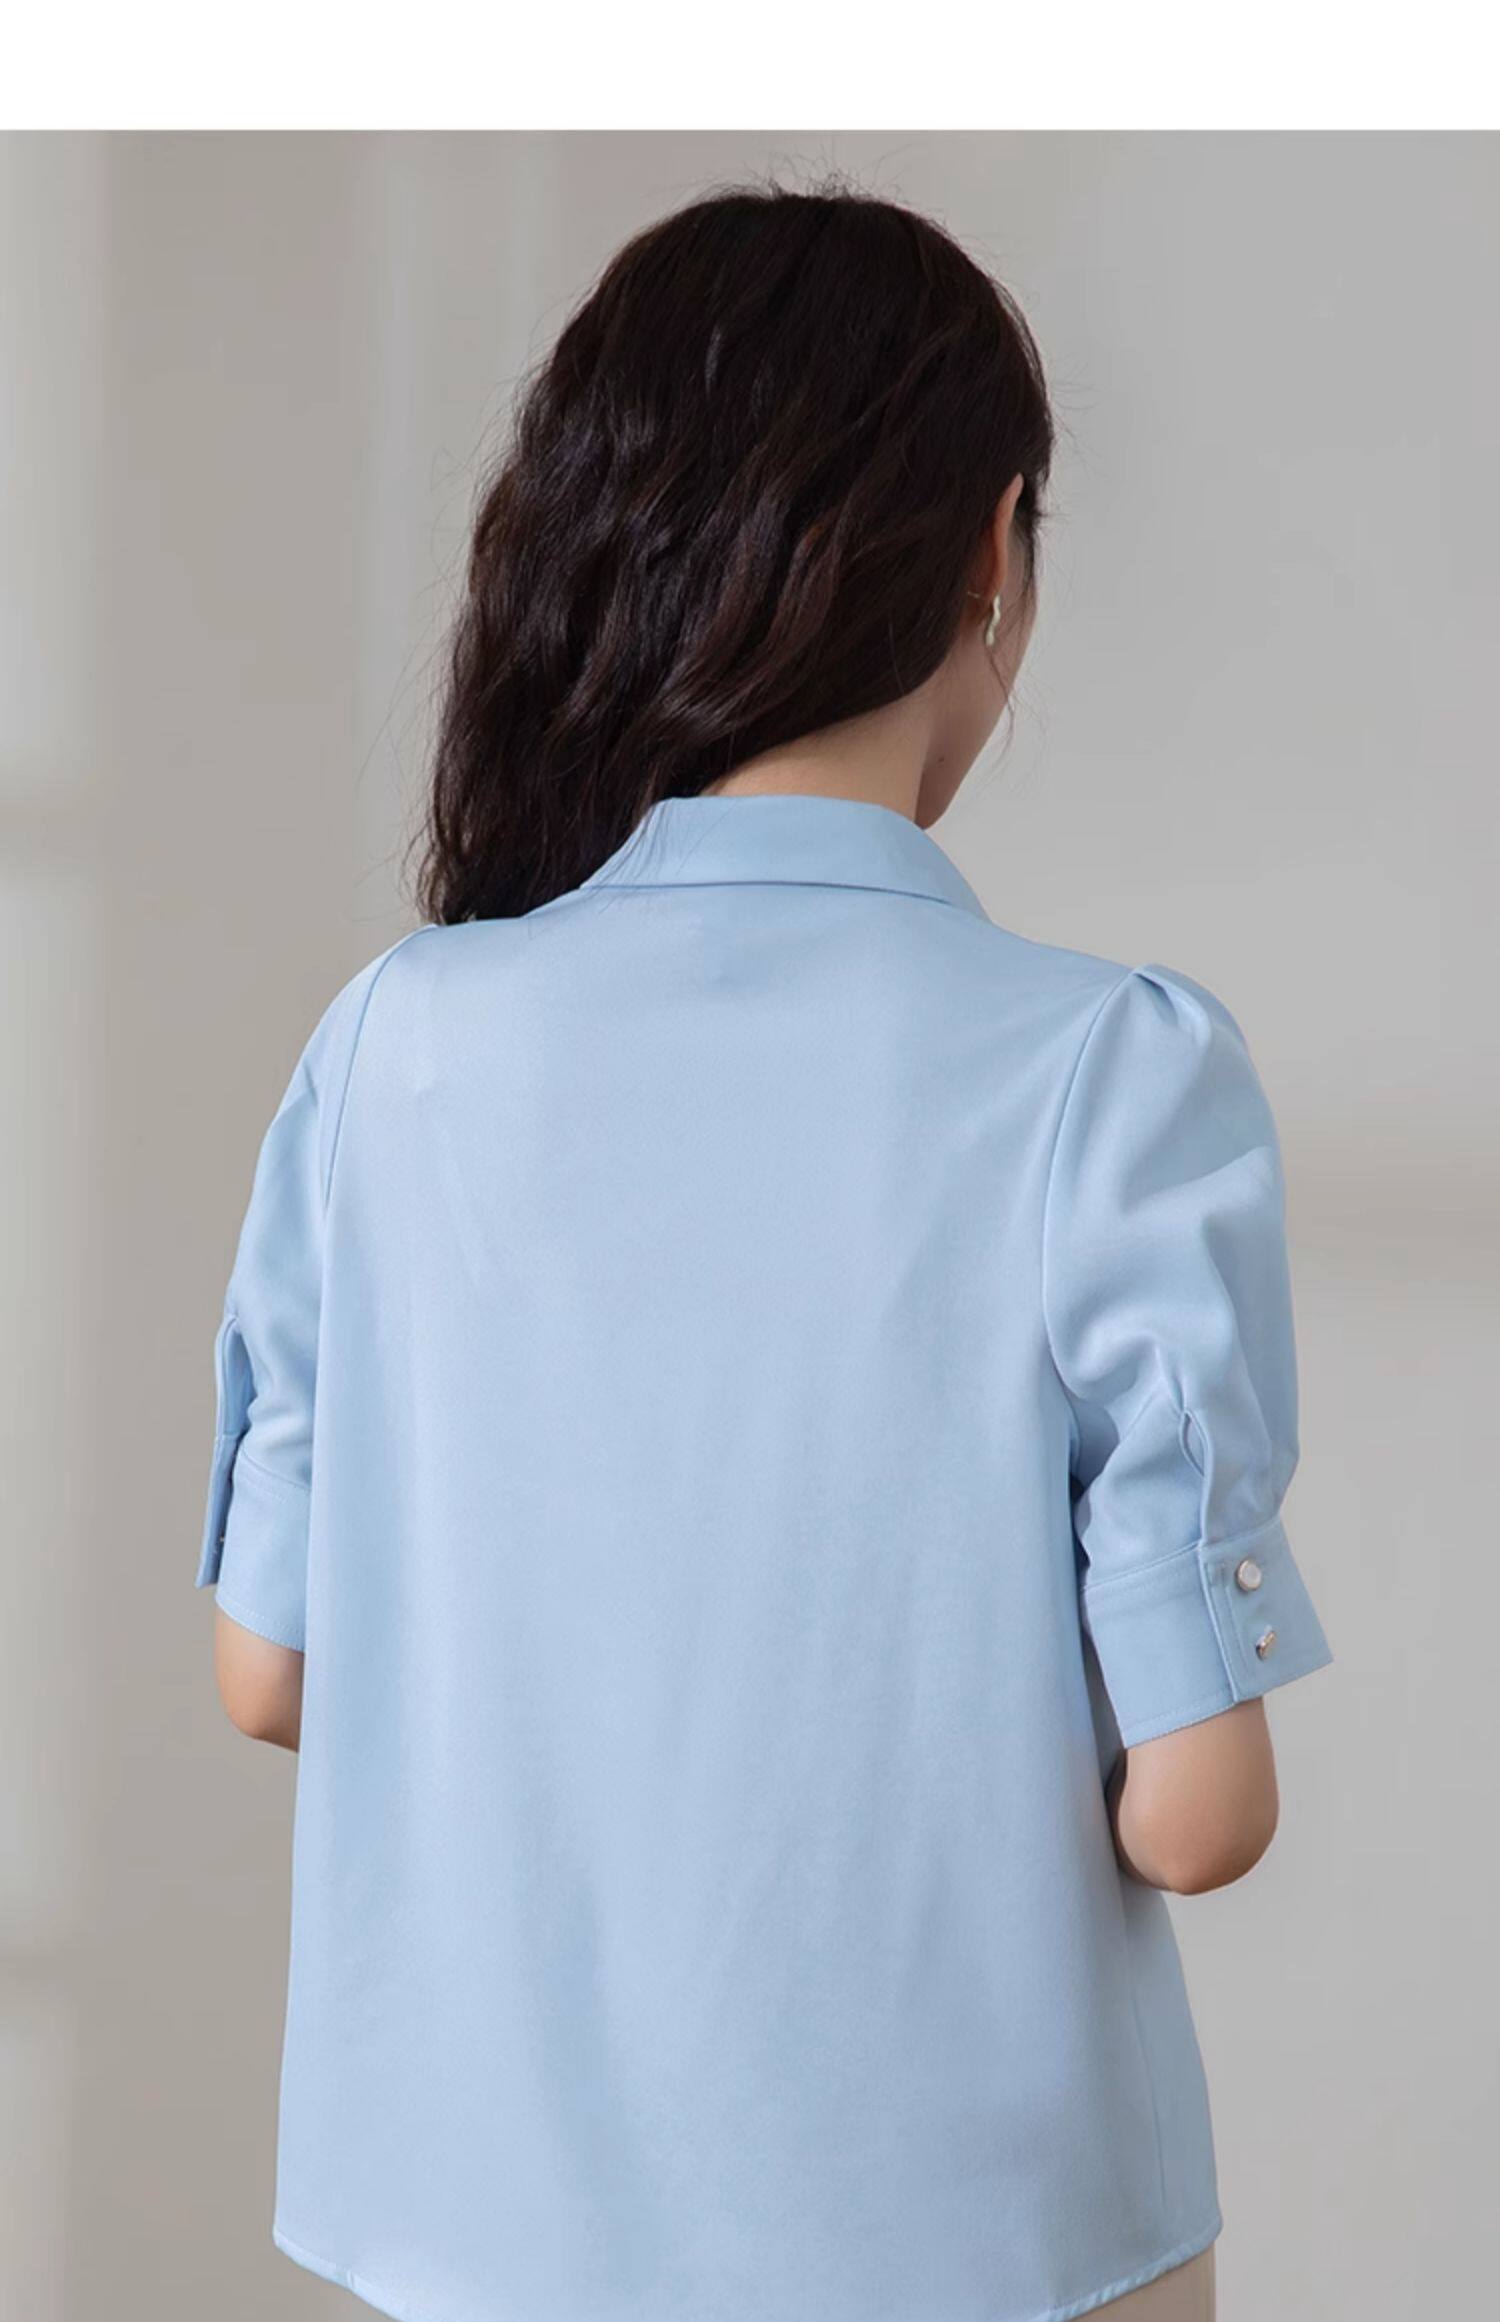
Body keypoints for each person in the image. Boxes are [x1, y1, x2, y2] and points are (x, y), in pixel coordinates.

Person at [198, 184, 1332, 2322]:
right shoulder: (1111, 1070)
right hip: (994, 2253)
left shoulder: (394, 1048)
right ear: (992, 557)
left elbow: (272, 1672)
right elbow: (1197, 1816)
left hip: (476, 2243)